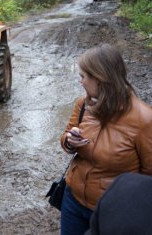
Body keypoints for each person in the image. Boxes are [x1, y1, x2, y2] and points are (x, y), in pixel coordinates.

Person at [59, 44, 152, 235]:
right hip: (72, 202)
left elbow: (148, 178)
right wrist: (69, 141)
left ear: (100, 78)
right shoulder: (83, 105)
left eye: (83, 76)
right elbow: (65, 137)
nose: (81, 82)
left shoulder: (144, 119)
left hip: (113, 211)